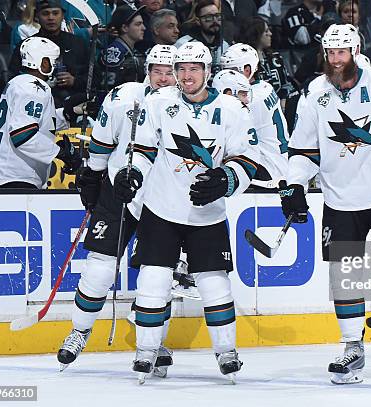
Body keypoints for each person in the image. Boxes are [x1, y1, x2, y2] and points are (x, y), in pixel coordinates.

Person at [281, 24, 371, 384]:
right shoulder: (315, 93)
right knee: (343, 278)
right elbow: (303, 150)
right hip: (339, 199)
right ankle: (352, 348)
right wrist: (294, 184)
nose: (335, 60)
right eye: (330, 53)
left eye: (341, 52)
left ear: (356, 50)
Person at [130, 41, 260, 384]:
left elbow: (247, 159)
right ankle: (146, 351)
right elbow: (142, 149)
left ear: (207, 72)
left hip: (207, 213)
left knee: (215, 283)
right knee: (153, 280)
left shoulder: (233, 109)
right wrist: (133, 173)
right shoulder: (158, 102)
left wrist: (226, 178)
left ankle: (226, 352)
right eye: (181, 69)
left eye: (194, 69)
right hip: (161, 207)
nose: (187, 76)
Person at [56, 44, 177, 374]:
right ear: (147, 70)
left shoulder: (189, 107)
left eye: (170, 72)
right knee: (99, 267)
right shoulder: (124, 97)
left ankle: (152, 343)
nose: (163, 79)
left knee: (157, 276)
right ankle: (79, 331)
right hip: (119, 190)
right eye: (157, 71)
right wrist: (93, 177)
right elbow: (103, 140)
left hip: (165, 199)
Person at [0, 37, 82, 189]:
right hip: (13, 177)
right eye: (54, 61)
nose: (56, 66)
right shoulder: (34, 88)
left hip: (1, 174)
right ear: (44, 63)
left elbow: (36, 124)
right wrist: (60, 153)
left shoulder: (18, 83)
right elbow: (22, 135)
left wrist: (69, 113)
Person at [220, 43, 289, 186]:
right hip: (278, 162)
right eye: (223, 70)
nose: (226, 76)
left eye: (232, 70)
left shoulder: (251, 99)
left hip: (268, 169)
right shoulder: (264, 87)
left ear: (247, 69)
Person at [9, 0, 89, 108]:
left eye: (55, 13)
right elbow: (13, 78)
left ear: (62, 16)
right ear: (37, 17)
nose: (51, 18)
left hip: (73, 106)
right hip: (34, 104)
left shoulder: (78, 44)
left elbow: (95, 77)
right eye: (45, 13)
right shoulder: (26, 46)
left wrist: (75, 81)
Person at [99, 5, 146, 91]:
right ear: (124, 28)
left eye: (142, 23)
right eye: (138, 24)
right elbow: (108, 89)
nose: (144, 28)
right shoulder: (114, 52)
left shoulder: (133, 51)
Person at [175, 0, 229, 68]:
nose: (215, 20)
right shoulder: (183, 44)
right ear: (198, 21)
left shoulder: (224, 45)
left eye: (217, 16)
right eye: (208, 17)